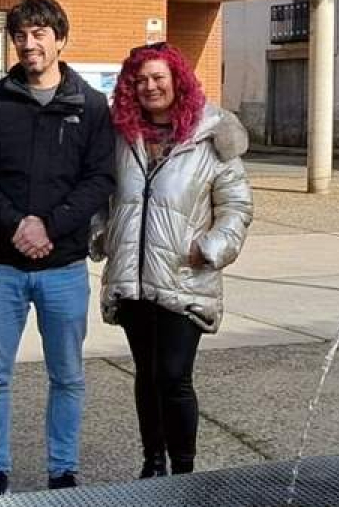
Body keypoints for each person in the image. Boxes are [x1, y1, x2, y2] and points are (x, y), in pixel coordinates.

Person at [0, 0, 115, 496]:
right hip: (0, 266)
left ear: (60, 39)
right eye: (21, 35)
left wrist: (49, 226)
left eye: (40, 33)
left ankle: (62, 470)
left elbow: (99, 179)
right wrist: (17, 225)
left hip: (64, 267)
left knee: (67, 375)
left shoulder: (90, 105)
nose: (30, 43)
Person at [94, 42, 253, 477]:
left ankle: (184, 469)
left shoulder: (211, 133)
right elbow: (100, 194)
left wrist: (214, 247)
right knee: (146, 375)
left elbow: (236, 206)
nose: (150, 87)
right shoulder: (120, 136)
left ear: (177, 80)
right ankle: (152, 463)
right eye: (140, 80)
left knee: (174, 375)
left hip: (185, 276)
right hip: (132, 278)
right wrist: (101, 234)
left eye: (158, 77)